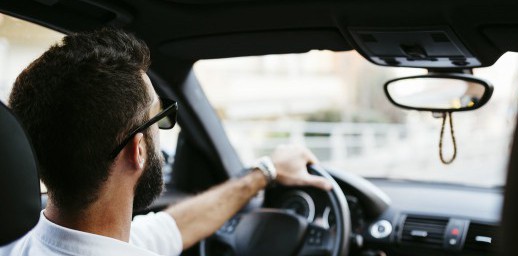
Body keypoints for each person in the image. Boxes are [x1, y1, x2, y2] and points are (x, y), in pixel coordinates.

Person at [0, 28, 332, 256]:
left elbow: (172, 226)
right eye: (160, 118)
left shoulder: (17, 243)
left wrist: (265, 172)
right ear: (138, 150)